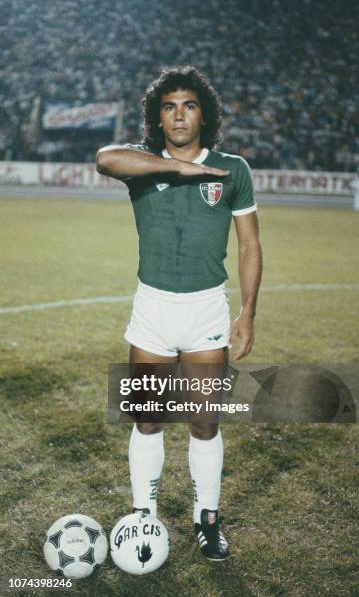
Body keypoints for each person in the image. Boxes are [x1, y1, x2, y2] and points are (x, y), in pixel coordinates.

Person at [96, 66, 262, 561]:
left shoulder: (233, 169)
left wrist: (248, 311)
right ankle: (143, 516)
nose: (179, 114)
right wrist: (178, 169)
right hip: (153, 309)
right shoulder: (143, 164)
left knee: (205, 422)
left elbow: (251, 243)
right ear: (158, 116)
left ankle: (206, 519)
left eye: (189, 104)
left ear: (203, 113)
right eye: (168, 106)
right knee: (148, 420)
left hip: (206, 310)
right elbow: (105, 158)